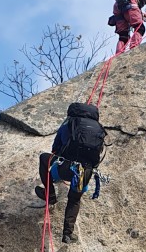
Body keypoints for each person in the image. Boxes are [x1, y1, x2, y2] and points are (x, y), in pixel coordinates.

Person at [34, 103, 106, 243]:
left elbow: (55, 148)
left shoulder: (69, 124)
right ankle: (67, 234)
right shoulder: (98, 129)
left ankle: (51, 195)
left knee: (44, 158)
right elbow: (98, 154)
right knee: (74, 200)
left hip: (65, 167)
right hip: (84, 173)